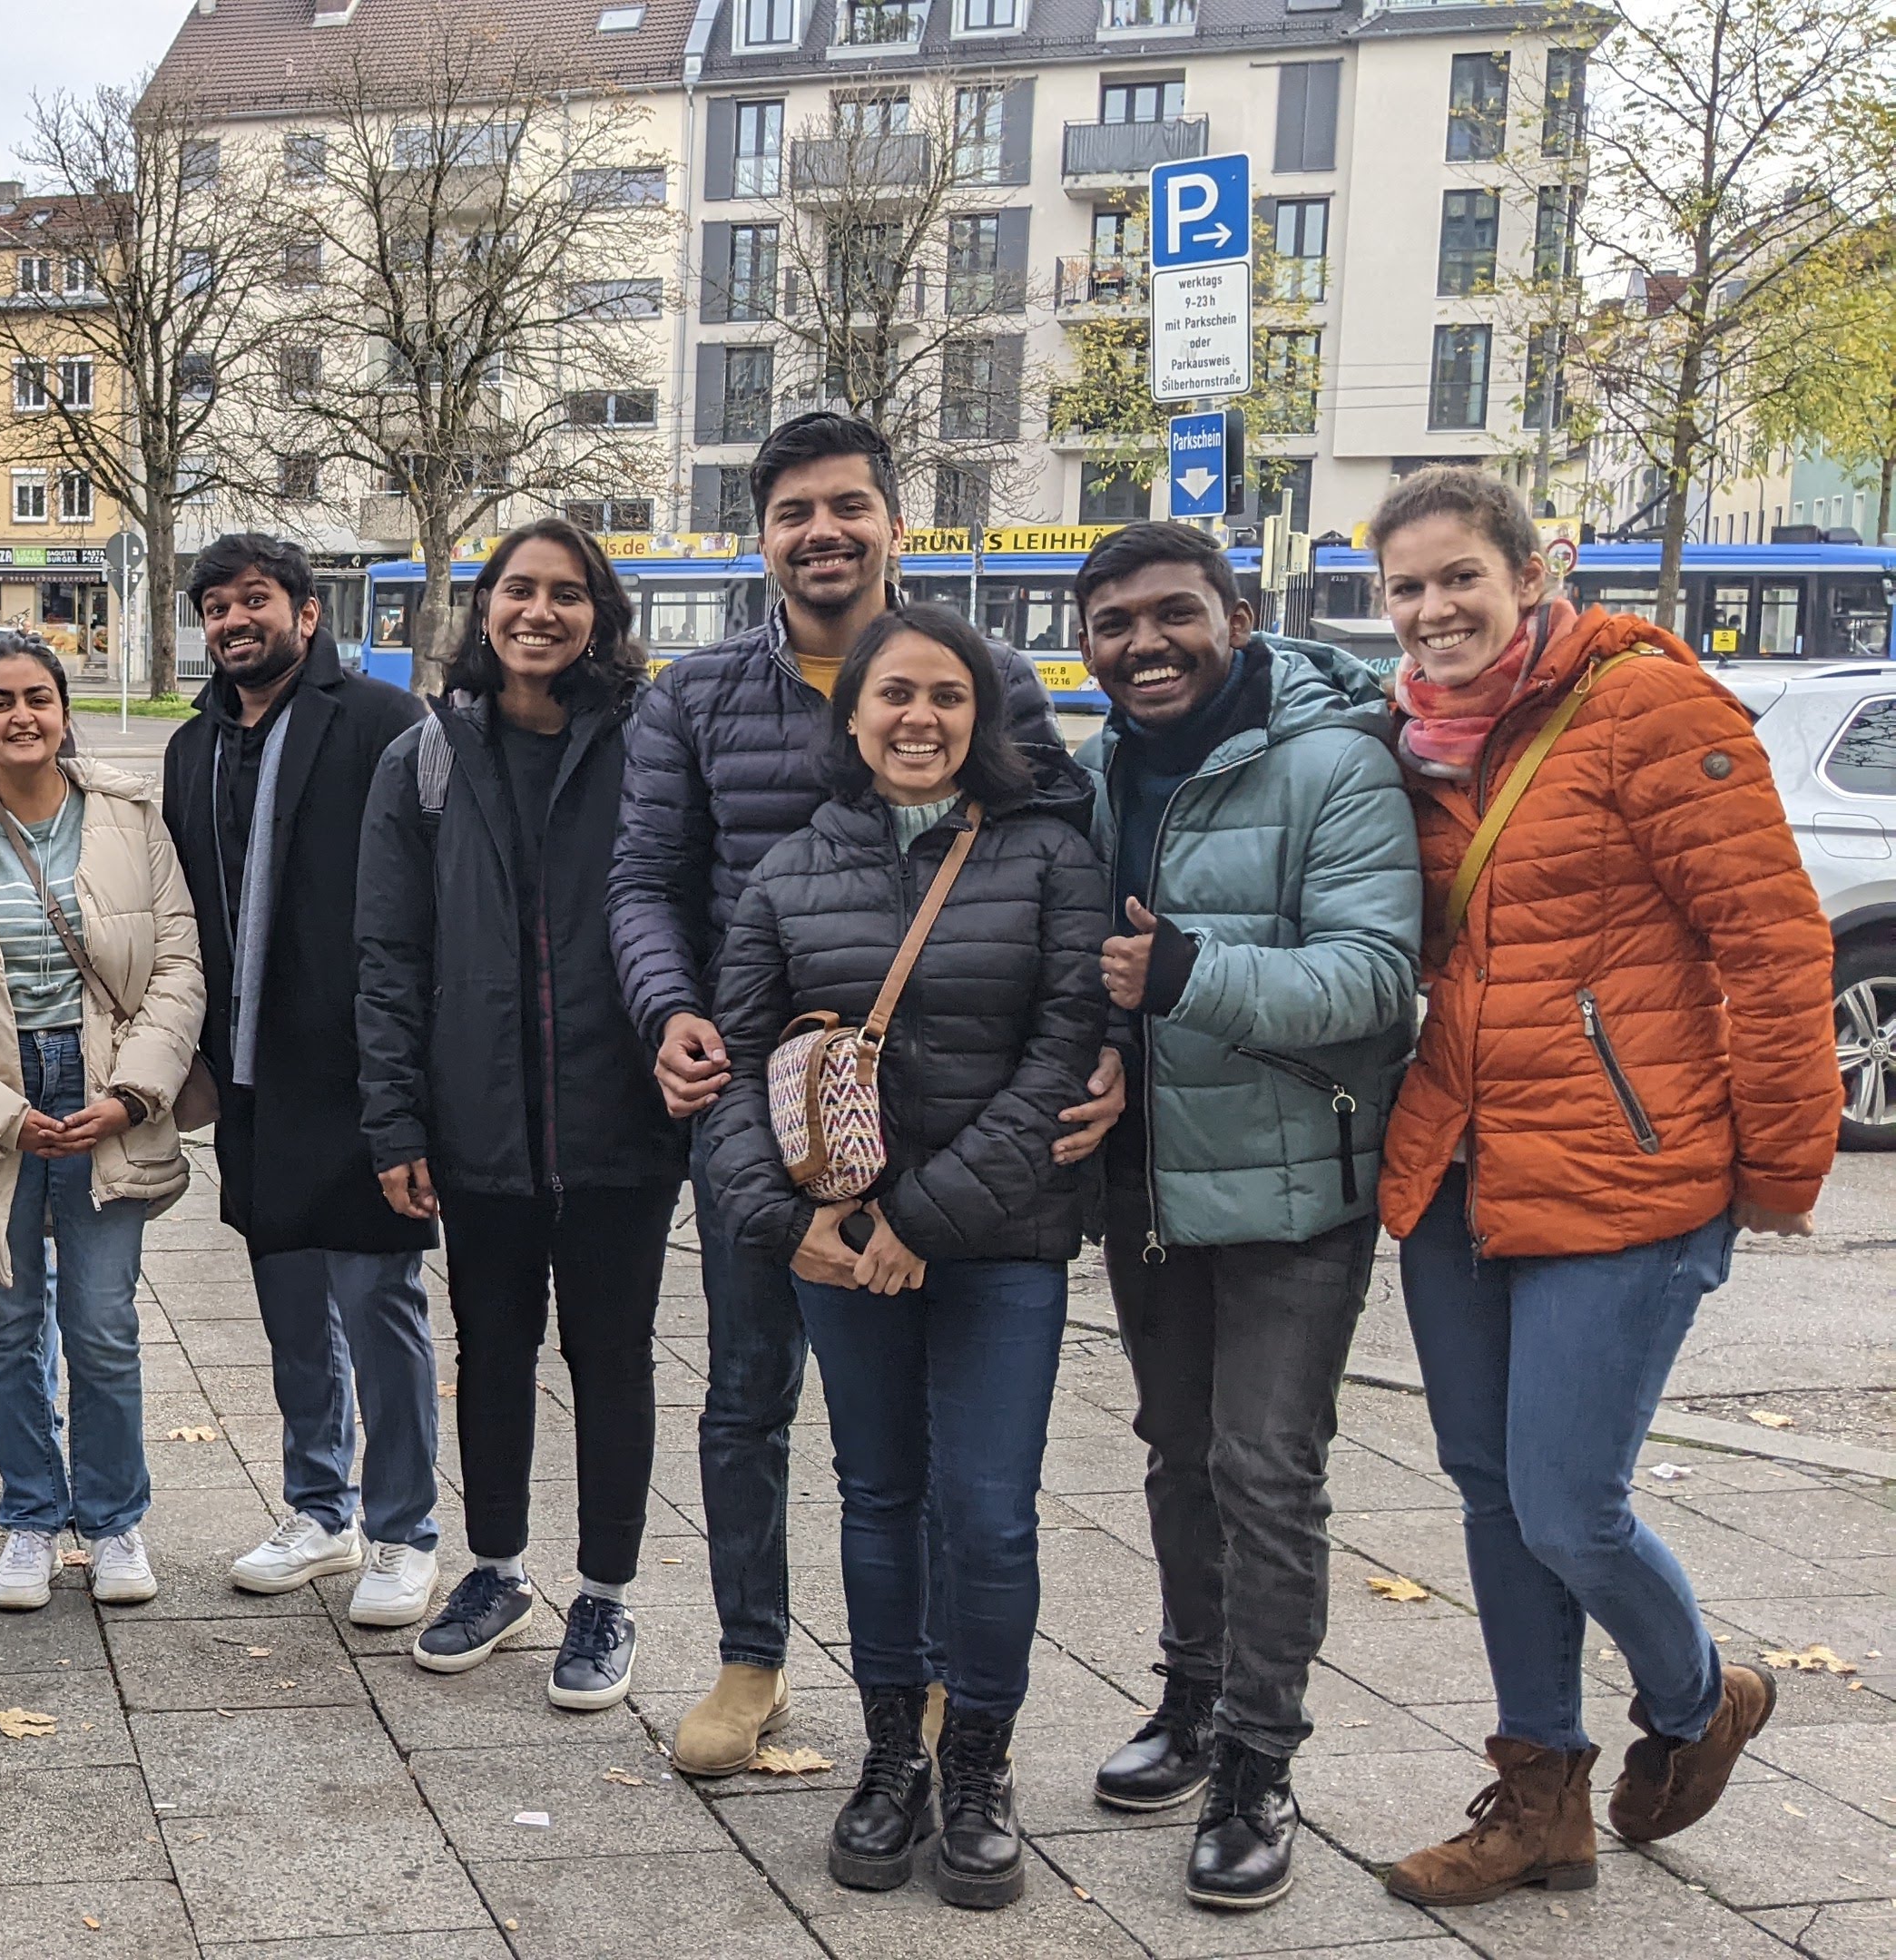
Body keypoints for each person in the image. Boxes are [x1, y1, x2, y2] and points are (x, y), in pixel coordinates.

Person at [606, 410, 1119, 1775]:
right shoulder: (696, 696)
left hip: (947, 1111)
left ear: (895, 523)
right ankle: (752, 1659)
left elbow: (1061, 853)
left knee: (928, 1441)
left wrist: (1102, 1040)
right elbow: (645, 879)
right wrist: (671, 1011)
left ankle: (941, 1680)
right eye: (794, 512)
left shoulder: (981, 673)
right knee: (746, 1397)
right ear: (762, 537)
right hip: (763, 1106)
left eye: (848, 506)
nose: (822, 532)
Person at [1368, 467, 1839, 1907]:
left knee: (1569, 1506)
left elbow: (1772, 943)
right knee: (1492, 1496)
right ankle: (1540, 1803)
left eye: (1460, 575)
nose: (1435, 608)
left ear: (1533, 573)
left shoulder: (1649, 709)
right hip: (1462, 1167)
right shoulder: (1410, 739)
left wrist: (1782, 1161)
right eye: (1406, 587)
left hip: (1628, 1172)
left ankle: (1701, 1699)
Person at [705, 603, 1107, 1912]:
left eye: (948, 695)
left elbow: (1063, 1055)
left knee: (987, 1510)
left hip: (998, 1244)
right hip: (838, 1247)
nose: (919, 718)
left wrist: (920, 1219)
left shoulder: (1048, 856)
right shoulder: (789, 869)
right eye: (894, 695)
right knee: (877, 1495)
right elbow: (738, 1071)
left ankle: (977, 1764)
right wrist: (793, 1224)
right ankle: (892, 1757)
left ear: (983, 716)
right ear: (854, 714)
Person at [1066, 522, 1420, 1912]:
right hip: (1149, 1181)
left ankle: (1259, 1766)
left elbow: (1376, 979)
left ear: (1238, 614)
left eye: (1174, 614)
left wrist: (1191, 974)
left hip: (1291, 1187)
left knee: (1266, 1471)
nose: (1144, 645)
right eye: (1113, 623)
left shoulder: (1336, 763)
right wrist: (1102, 1048)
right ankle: (1193, 1698)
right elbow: (1087, 966)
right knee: (1176, 1456)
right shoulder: (1096, 770)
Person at [353, 519, 683, 1710]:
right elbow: (387, 954)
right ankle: (496, 1572)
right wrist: (395, 1124)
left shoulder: (650, 745)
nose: (539, 612)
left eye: (567, 593)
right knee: (490, 1350)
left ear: (602, 615)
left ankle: (605, 1593)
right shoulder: (427, 758)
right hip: (477, 1116)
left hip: (619, 1117)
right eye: (517, 590)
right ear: (484, 607)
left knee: (613, 1354)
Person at [0, 641, 206, 1613]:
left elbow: (177, 965)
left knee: (102, 1325)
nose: (22, 716)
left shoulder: (129, 819)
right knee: (7, 1325)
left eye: (40, 699)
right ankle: (29, 1517)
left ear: (63, 714)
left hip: (104, 1089)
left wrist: (134, 1093)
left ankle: (113, 1520)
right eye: (1, 702)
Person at [162, 532, 440, 1627]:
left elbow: (434, 888)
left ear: (306, 614)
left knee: (378, 1301)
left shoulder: (383, 721)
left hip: (361, 1066)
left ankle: (406, 1528)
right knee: (288, 1305)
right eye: (216, 607)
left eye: (255, 601)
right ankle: (320, 1509)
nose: (235, 621)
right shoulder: (194, 746)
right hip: (251, 1072)